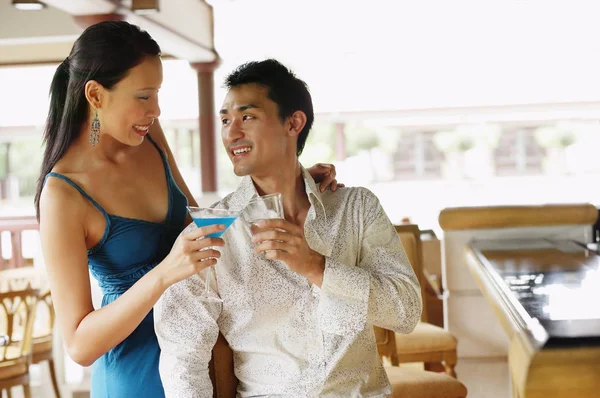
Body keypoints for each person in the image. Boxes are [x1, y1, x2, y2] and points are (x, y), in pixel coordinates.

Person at [35, 22, 341, 398]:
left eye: (158, 94)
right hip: (138, 373)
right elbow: (80, 345)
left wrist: (288, 180)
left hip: (202, 357)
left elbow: (205, 225)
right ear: (96, 95)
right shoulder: (62, 194)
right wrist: (165, 274)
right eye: (144, 96)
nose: (155, 109)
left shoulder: (147, 136)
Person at [155, 59, 422, 397]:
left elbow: (407, 310)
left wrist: (318, 267)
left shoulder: (356, 208)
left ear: (294, 122)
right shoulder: (211, 232)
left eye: (247, 117)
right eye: (225, 120)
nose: (231, 132)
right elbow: (183, 358)